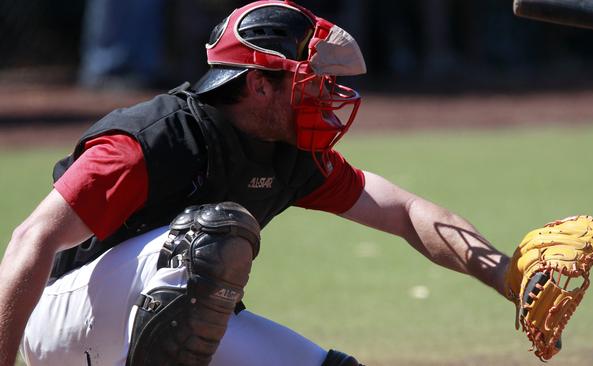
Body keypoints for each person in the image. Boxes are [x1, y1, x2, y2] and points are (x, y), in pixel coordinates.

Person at [0, 1, 512, 365]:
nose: (326, 95)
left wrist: (507, 276)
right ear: (257, 83)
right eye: (309, 82)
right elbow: (31, 238)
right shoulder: (150, 140)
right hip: (61, 321)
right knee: (209, 239)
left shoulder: (289, 152)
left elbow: (404, 211)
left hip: (172, 312)